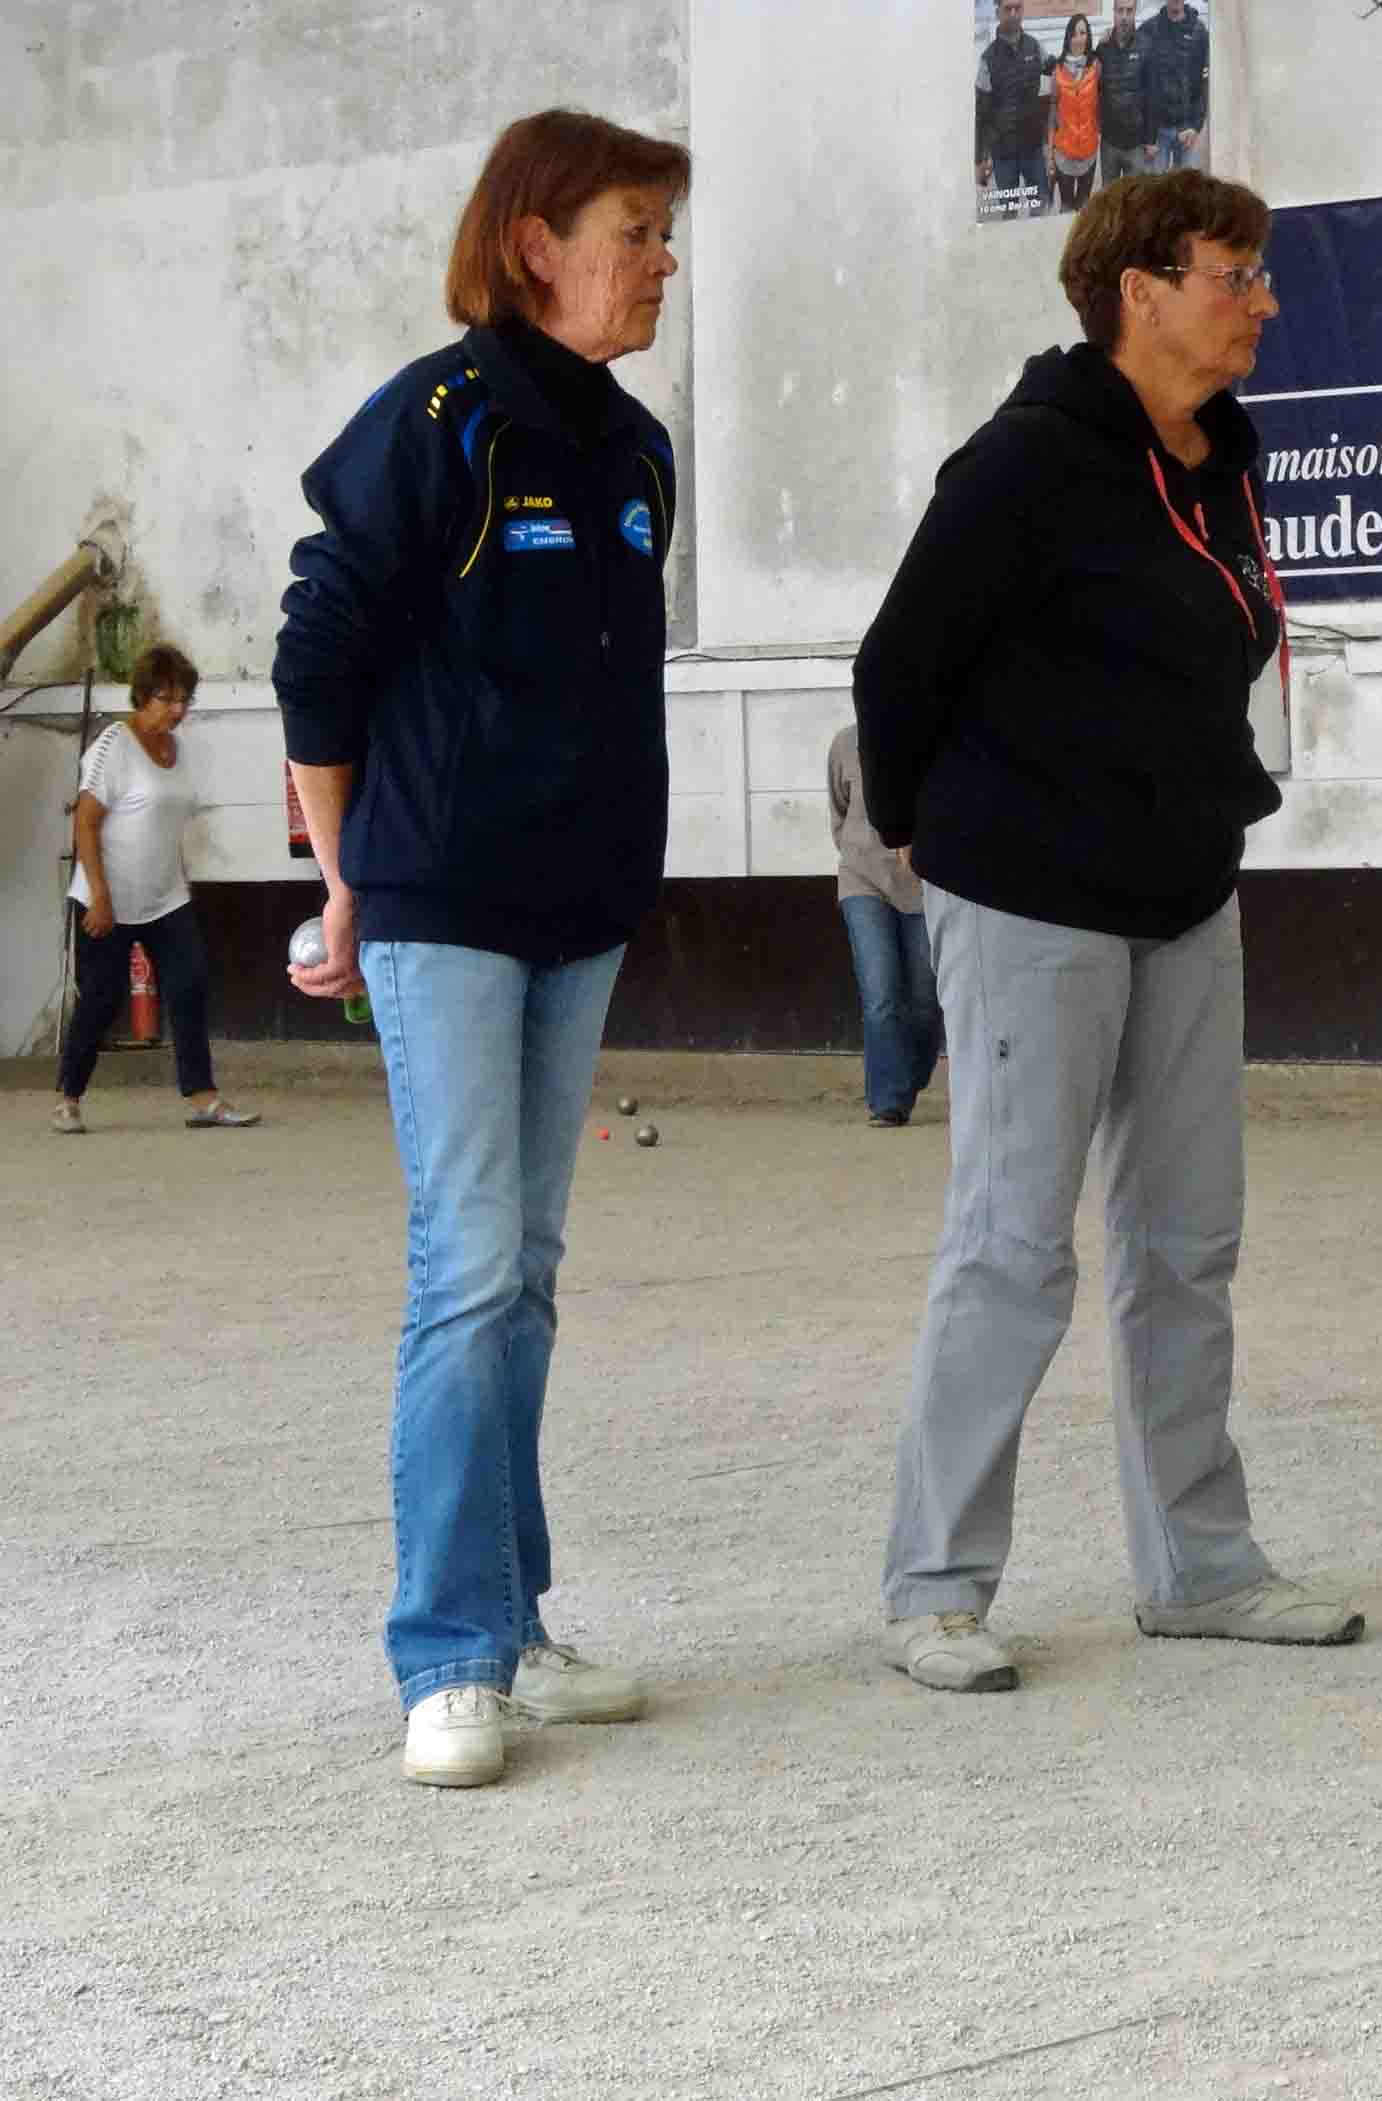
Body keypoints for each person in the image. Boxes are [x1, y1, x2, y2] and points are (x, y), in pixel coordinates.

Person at [853, 170, 1360, 1693]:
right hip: (1028, 900)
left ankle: (1201, 1570)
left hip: (1188, 896)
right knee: (1014, 1250)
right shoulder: (1026, 462)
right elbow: (899, 667)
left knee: (1188, 1246)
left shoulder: (1222, 461)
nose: (1262, 298)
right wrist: (928, 841)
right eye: (1236, 272)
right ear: (1139, 287)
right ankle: (935, 1589)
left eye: (1262, 274)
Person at [274, 108, 689, 1788]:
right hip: (438, 890)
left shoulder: (636, 447)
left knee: (522, 1271)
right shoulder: (438, 422)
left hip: (576, 904)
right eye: (634, 228)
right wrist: (340, 869)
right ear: (537, 244)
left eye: (665, 232)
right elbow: (320, 647)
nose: (660, 261)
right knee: (469, 1265)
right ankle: (445, 1654)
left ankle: (512, 1625)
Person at [52, 643, 258, 1136]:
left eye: (184, 698)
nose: (178, 708)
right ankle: (68, 1098)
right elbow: (85, 823)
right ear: (142, 695)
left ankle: (203, 1099)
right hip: (108, 899)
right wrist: (100, 897)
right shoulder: (111, 746)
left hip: (166, 897)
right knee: (103, 998)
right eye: (166, 698)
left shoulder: (180, 751)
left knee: (189, 986)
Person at [828, 722, 941, 1125]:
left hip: (926, 883)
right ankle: (888, 1102)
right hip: (862, 880)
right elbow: (839, 813)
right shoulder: (845, 744)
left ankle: (909, 1077)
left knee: (926, 999)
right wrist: (858, 853)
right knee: (880, 992)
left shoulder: (934, 741)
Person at [979, 3, 1052, 219]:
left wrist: (1093, 50)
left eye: (1017, 8)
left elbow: (1059, 67)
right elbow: (981, 111)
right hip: (1004, 153)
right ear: (997, 13)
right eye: (1007, 9)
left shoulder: (1035, 47)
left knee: (1039, 208)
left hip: (1032, 150)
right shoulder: (987, 58)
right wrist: (980, 158)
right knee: (1008, 212)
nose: (1013, 14)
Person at [1139, 0, 1210, 171]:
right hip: (1158, 133)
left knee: (1184, 193)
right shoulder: (1149, 29)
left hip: (1186, 131)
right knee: (1157, 193)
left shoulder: (1199, 32)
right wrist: (1147, 135)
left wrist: (1196, 126)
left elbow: (1204, 83)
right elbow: (1139, 80)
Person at [1049, 13, 1101, 214]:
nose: (1079, 38)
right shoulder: (1057, 70)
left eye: (1083, 33)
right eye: (1074, 34)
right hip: (1065, 152)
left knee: (1084, 207)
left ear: (1088, 36)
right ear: (1067, 37)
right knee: (1067, 207)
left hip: (1089, 149)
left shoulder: (1096, 66)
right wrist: (1050, 153)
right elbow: (1052, 112)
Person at [1097, 0, 1147, 188]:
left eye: (1129, 11)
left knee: (1134, 201)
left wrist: (1150, 139)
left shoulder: (1145, 45)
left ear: (1135, 12)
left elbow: (1151, 94)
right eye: (1120, 11)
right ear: (1114, 13)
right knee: (1109, 200)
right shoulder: (1103, 47)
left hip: (1136, 143)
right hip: (1109, 142)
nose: (1124, 16)